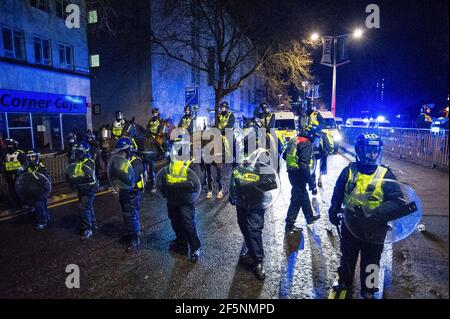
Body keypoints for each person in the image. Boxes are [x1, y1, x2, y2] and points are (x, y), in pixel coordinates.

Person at [328, 133, 401, 299]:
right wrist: (333, 208)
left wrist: (376, 214)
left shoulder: (385, 174)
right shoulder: (348, 171)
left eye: (375, 151)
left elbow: (397, 202)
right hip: (350, 224)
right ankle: (345, 281)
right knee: (347, 256)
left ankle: (370, 288)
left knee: (372, 260)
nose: (371, 154)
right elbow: (338, 192)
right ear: (359, 151)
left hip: (375, 228)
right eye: (368, 150)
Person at [229, 160, 278, 280]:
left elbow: (271, 182)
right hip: (241, 199)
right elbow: (235, 174)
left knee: (253, 230)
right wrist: (232, 193)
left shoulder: (263, 159)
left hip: (256, 200)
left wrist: (250, 185)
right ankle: (251, 251)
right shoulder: (241, 156)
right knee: (243, 225)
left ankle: (258, 261)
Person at [160, 151, 202, 262]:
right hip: (172, 199)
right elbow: (164, 178)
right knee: (175, 222)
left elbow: (195, 183)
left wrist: (174, 186)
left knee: (188, 224)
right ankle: (181, 242)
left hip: (185, 201)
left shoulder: (192, 163)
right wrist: (165, 191)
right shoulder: (171, 162)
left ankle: (195, 248)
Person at [283, 129, 319, 232]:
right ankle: (289, 224)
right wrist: (312, 183)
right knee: (296, 199)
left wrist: (293, 163)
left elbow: (285, 156)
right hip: (299, 174)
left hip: (292, 173)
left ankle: (309, 218)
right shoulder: (306, 143)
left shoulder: (295, 140)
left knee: (302, 196)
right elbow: (304, 166)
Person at [114, 137, 145, 252]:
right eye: (119, 152)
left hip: (133, 192)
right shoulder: (124, 161)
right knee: (128, 213)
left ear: (128, 150)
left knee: (130, 214)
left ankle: (134, 238)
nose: (120, 154)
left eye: (121, 152)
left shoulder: (136, 162)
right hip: (124, 190)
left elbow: (131, 178)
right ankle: (133, 231)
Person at [66, 142, 99, 240]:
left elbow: (87, 175)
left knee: (83, 208)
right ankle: (93, 224)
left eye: (77, 152)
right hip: (82, 188)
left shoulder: (88, 161)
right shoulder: (78, 162)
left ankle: (87, 229)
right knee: (88, 207)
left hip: (89, 188)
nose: (75, 153)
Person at [18, 149, 51, 230]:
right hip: (32, 190)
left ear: (36, 157)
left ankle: (42, 222)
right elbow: (21, 176)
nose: (31, 158)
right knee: (37, 206)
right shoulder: (26, 167)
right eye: (29, 157)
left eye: (33, 157)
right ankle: (45, 217)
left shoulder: (41, 167)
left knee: (39, 205)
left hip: (40, 190)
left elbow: (45, 179)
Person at [1, 139, 27, 210]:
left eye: (10, 146)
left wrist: (21, 173)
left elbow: (25, 165)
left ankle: (21, 204)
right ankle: (14, 205)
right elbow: (4, 164)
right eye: (8, 146)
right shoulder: (5, 153)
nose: (9, 147)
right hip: (9, 176)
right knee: (12, 191)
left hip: (18, 176)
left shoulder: (20, 153)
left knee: (19, 191)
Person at [146, 108, 164, 192]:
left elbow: (161, 128)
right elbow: (147, 128)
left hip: (158, 135)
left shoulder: (160, 120)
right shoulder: (151, 120)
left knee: (158, 142)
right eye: (153, 113)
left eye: (156, 113)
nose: (154, 114)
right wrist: (147, 132)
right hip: (151, 136)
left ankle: (162, 151)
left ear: (158, 113)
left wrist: (157, 134)